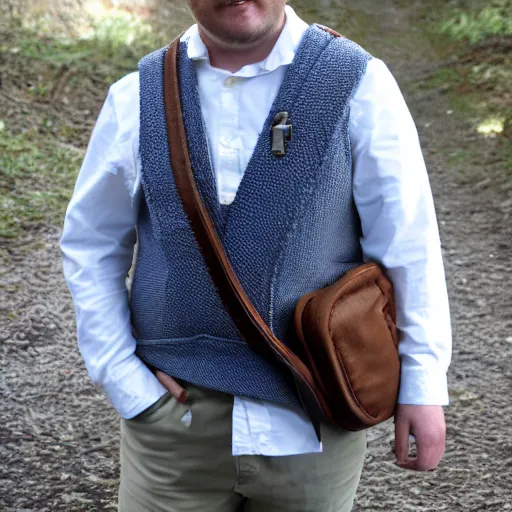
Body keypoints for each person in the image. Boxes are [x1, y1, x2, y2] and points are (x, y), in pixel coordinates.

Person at [60, 1, 452, 510]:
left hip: (315, 418)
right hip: (172, 432)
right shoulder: (136, 97)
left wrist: (421, 383)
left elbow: (407, 243)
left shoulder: (359, 84)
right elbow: (91, 242)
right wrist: (123, 378)